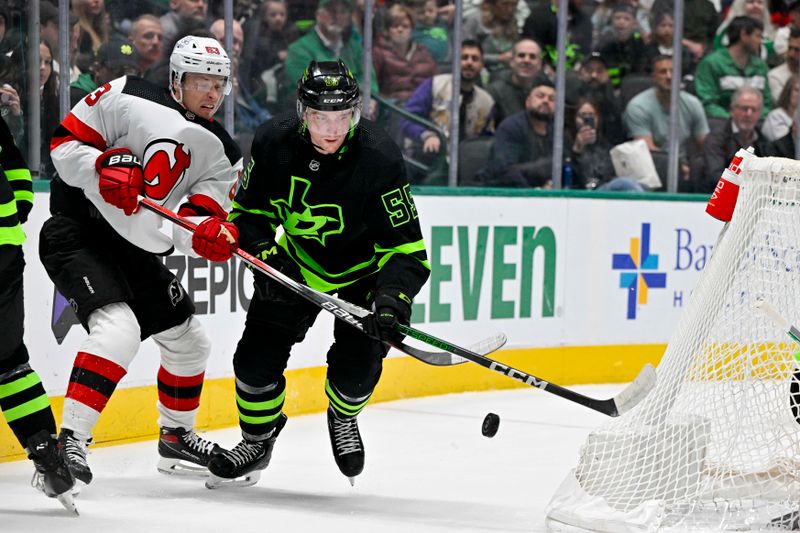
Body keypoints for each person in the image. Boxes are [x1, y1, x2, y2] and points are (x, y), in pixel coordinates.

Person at [206, 59, 430, 487]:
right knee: (253, 364)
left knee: (356, 372)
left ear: (355, 113)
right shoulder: (274, 141)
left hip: (362, 274)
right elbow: (248, 216)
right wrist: (269, 257)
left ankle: (343, 416)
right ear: (303, 112)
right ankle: (257, 440)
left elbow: (406, 250)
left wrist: (393, 298)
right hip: (294, 265)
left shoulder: (379, 156)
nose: (331, 129)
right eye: (320, 117)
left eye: (341, 117)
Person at [40, 35, 243, 487]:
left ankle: (176, 437)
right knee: (118, 330)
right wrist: (102, 166)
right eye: (200, 82)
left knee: (190, 342)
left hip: (135, 247)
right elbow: (64, 146)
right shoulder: (126, 92)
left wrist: (208, 234)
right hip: (79, 230)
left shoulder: (223, 151)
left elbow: (194, 219)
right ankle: (69, 441)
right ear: (176, 79)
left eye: (218, 84)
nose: (211, 94)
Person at [0, 114, 76, 508]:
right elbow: (14, 162)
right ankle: (47, 451)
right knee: (9, 361)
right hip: (4, 247)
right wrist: (18, 209)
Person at [623, 55, 709, 186]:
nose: (669, 76)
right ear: (654, 77)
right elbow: (647, 149)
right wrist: (678, 168)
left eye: (673, 72)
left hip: (685, 166)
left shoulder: (693, 103)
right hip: (651, 167)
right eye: (663, 72)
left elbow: (705, 144)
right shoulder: (638, 106)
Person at [474, 78, 558, 187]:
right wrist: (535, 195)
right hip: (503, 193)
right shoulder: (511, 127)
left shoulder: (556, 132)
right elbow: (506, 171)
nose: (546, 101)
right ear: (528, 102)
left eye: (552, 99)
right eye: (540, 96)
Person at [694, 16, 772, 121]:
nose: (760, 42)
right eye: (757, 36)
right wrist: (735, 120)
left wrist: (753, 118)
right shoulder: (711, 63)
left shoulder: (760, 66)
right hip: (721, 123)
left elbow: (767, 103)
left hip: (756, 124)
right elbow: (707, 103)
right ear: (744, 35)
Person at [694, 86, 767, 192]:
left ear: (760, 113)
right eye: (744, 108)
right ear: (732, 110)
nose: (748, 114)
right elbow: (715, 176)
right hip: (718, 198)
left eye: (754, 110)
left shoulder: (762, 140)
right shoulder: (716, 138)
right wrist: (749, 187)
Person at [372, 4, 437, 104]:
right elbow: (372, 85)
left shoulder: (424, 53)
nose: (400, 29)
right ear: (388, 30)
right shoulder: (379, 52)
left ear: (412, 29)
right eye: (395, 26)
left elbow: (436, 82)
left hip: (420, 107)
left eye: (405, 26)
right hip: (391, 107)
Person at [487, 38, 543, 126]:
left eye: (532, 57)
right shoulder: (494, 92)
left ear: (539, 64)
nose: (527, 60)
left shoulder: (547, 90)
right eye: (521, 55)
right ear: (511, 62)